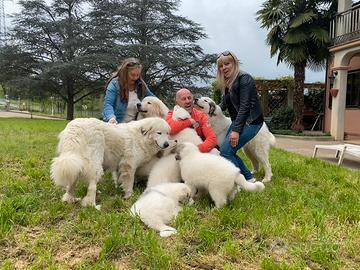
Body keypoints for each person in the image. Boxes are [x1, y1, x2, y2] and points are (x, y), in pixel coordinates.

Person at [216, 51, 264, 182]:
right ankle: (248, 178)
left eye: (227, 64)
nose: (223, 68)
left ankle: (240, 181)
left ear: (234, 63)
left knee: (226, 151)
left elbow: (245, 106)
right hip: (239, 121)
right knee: (226, 151)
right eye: (221, 65)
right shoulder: (228, 81)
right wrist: (210, 110)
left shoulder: (245, 78)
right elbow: (224, 104)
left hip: (252, 121)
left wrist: (236, 131)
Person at [103, 57, 154, 124]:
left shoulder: (141, 85)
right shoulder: (114, 84)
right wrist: (111, 118)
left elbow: (153, 100)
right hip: (117, 126)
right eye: (132, 75)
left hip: (135, 128)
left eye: (138, 75)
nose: (135, 78)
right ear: (125, 73)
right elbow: (108, 104)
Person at [166, 88, 218, 153]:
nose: (188, 101)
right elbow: (169, 129)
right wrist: (189, 122)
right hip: (177, 151)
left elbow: (212, 139)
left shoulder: (200, 115)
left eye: (189, 98)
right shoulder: (171, 114)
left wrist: (196, 150)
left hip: (196, 149)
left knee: (215, 152)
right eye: (183, 99)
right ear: (177, 102)